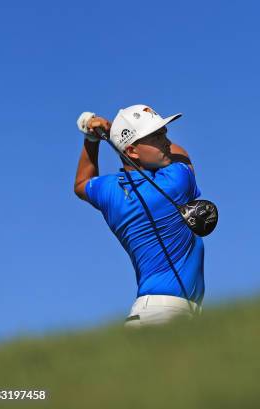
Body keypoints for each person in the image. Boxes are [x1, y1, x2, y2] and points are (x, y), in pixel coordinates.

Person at [73, 105, 205, 327]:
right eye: (156, 136)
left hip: (147, 311)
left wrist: (92, 139)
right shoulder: (176, 181)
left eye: (164, 133)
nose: (166, 141)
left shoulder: (110, 191)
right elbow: (181, 154)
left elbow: (81, 184)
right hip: (170, 313)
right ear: (132, 152)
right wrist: (112, 132)